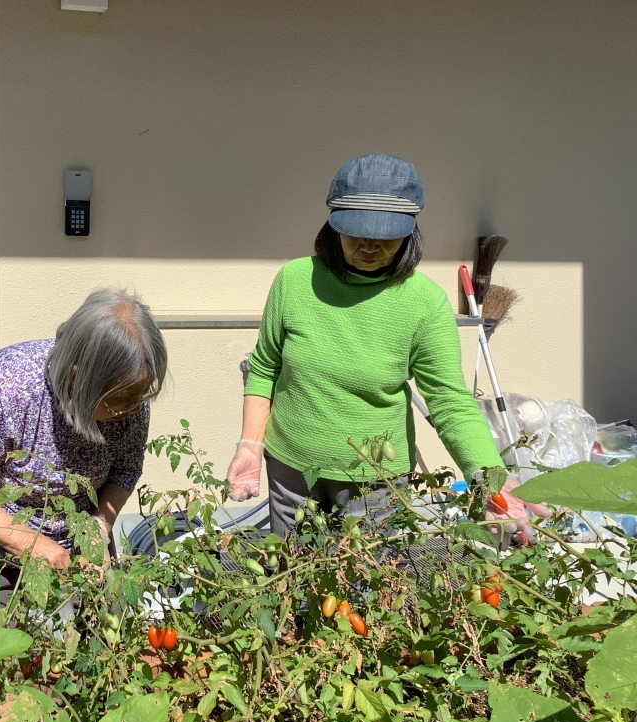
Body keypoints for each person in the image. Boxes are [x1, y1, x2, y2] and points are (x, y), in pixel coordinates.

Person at [226, 153, 546, 542]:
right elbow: (264, 368)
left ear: (410, 231)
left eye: (387, 237)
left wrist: (487, 474)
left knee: (367, 594)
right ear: (333, 224)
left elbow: (447, 399)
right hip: (291, 472)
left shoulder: (424, 302)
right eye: (356, 232)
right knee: (292, 583)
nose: (370, 246)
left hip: (374, 483)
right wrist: (249, 444)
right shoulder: (295, 282)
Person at [0, 288, 168, 605]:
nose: (133, 410)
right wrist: (32, 544)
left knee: (99, 643)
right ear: (78, 378)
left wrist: (98, 529)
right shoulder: (6, 386)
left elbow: (125, 469)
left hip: (77, 542)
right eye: (119, 401)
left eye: (140, 395)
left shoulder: (129, 400)